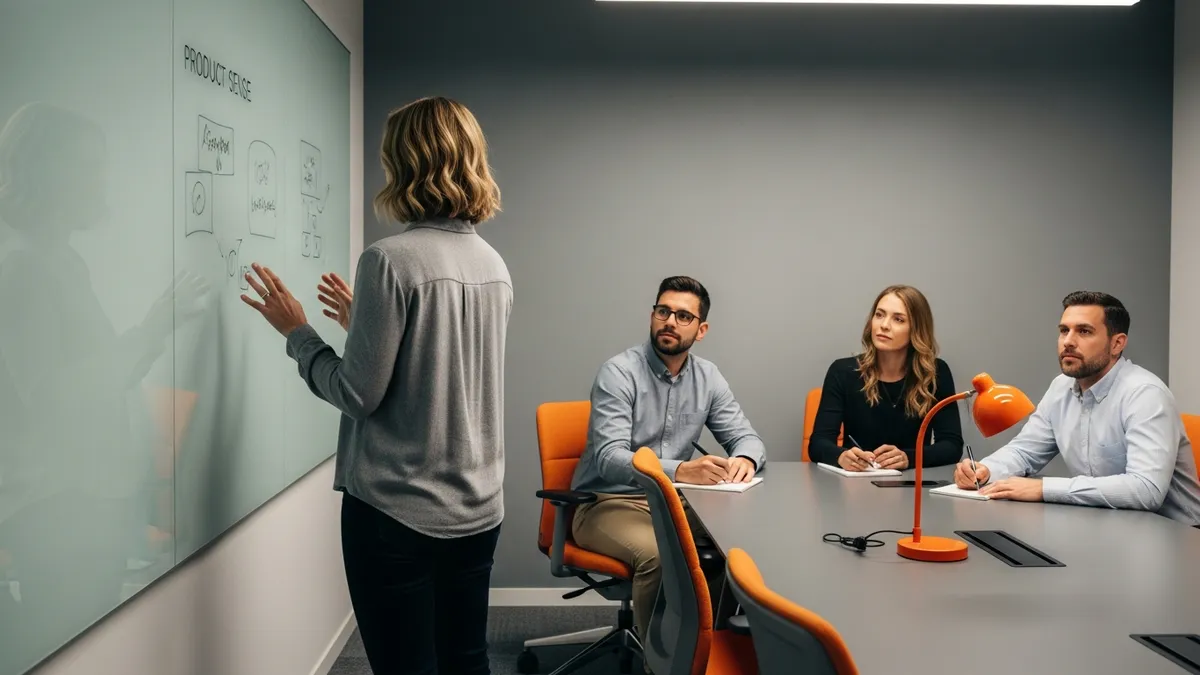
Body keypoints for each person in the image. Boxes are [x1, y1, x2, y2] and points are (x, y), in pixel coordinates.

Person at [241, 96, 512, 675]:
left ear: (406, 162)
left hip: (398, 514)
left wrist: (300, 334)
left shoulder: (390, 260)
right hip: (478, 507)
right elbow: (444, 366)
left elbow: (357, 395)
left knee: (404, 665)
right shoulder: (493, 264)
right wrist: (360, 326)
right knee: (466, 659)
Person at [570, 275, 767, 643]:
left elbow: (748, 439)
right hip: (606, 502)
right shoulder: (619, 372)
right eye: (663, 311)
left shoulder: (708, 377)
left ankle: (709, 648)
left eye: (683, 316)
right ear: (652, 315)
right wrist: (682, 470)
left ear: (701, 328)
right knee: (659, 556)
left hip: (675, 503)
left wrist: (745, 459)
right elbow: (609, 459)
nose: (670, 322)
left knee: (736, 547)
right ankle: (658, 660)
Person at [954, 291, 1200, 527]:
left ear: (1117, 344)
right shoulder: (1061, 387)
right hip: (1108, 523)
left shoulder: (1145, 394)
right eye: (1064, 331)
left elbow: (1146, 490)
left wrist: (1043, 489)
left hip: (1176, 535)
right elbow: (1025, 452)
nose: (1068, 342)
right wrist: (986, 469)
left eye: (1084, 331)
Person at [809, 285, 964, 471]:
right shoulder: (843, 371)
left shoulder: (935, 373)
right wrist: (841, 456)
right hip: (855, 485)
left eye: (898, 319)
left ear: (916, 329)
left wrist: (908, 458)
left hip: (910, 486)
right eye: (879, 315)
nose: (884, 325)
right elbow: (818, 443)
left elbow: (952, 445)